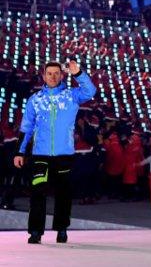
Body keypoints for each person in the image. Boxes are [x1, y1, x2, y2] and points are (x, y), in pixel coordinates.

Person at [14, 60, 96, 244]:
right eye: (49, 73)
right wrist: (19, 152)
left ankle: (61, 229)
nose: (52, 76)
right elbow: (26, 128)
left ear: (62, 75)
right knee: (37, 191)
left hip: (64, 155)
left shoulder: (71, 96)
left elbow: (90, 92)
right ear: (43, 76)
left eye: (56, 73)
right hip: (40, 155)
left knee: (63, 193)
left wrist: (79, 73)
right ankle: (35, 231)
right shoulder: (35, 99)